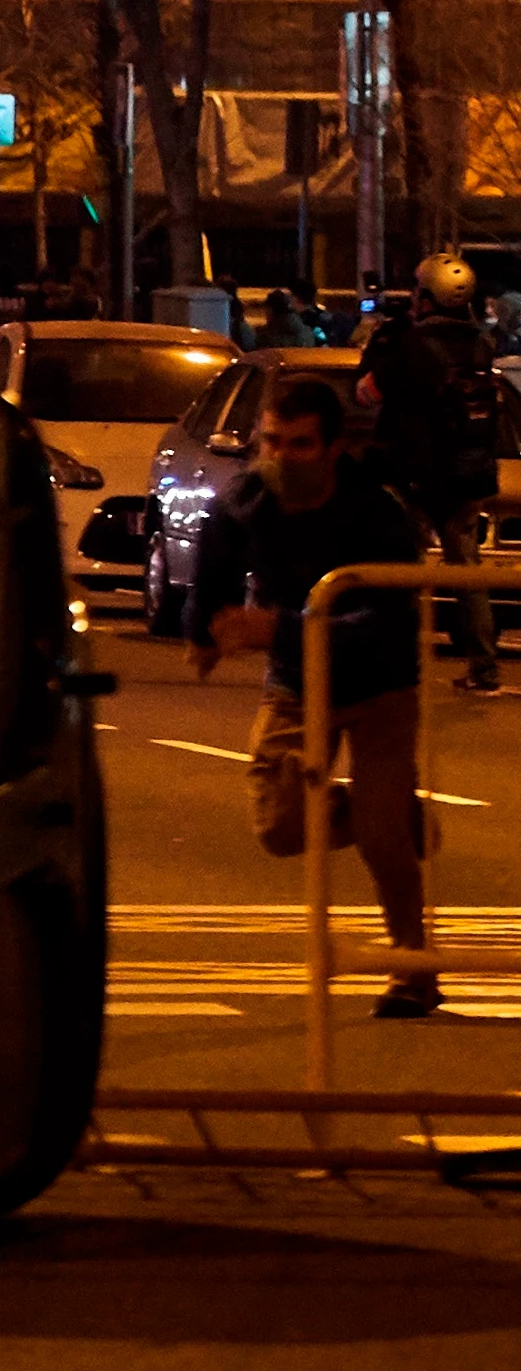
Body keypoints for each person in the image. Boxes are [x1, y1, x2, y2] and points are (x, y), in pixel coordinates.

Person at [191, 378, 443, 1017]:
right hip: (297, 683)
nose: (280, 458)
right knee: (277, 825)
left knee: (383, 835)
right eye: (270, 441)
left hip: (379, 682)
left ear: (332, 449)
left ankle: (413, 972)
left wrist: (280, 627)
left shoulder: (376, 512)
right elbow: (214, 562)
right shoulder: (250, 499)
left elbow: (384, 619)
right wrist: (206, 634)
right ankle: (385, 812)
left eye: (299, 445)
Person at [358, 251, 503, 693]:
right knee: (467, 572)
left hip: (413, 474)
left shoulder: (408, 343)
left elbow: (367, 393)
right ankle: (484, 667)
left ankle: (393, 662)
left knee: (399, 569)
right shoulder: (481, 342)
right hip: (468, 473)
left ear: (426, 295)